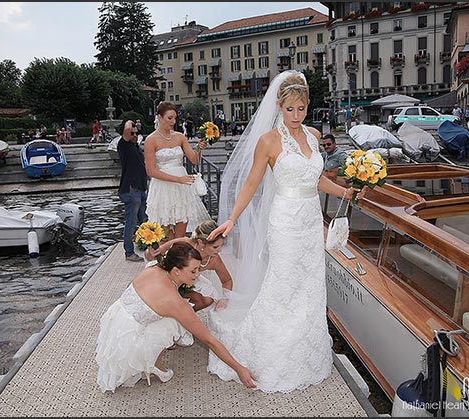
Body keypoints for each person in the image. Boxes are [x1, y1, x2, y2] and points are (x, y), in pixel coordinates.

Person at [205, 71, 360, 393]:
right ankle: (270, 352)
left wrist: (346, 192)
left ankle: (305, 352)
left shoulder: (314, 136)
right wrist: (232, 219)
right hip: (285, 220)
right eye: (290, 109)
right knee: (283, 284)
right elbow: (250, 183)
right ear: (279, 106)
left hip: (309, 219)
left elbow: (316, 180)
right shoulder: (268, 141)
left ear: (307, 107)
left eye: (301, 109)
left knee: (309, 287)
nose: (295, 115)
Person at [95, 242, 257, 392]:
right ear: (176, 271)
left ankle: (150, 355)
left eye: (198, 268)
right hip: (128, 337)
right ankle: (151, 362)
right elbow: (209, 340)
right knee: (177, 322)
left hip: (116, 318)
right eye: (193, 271)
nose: (198, 274)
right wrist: (239, 368)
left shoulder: (153, 267)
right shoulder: (174, 302)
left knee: (174, 315)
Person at [144, 101, 211, 240]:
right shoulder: (151, 140)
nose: (173, 121)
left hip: (182, 188)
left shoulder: (180, 136)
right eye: (170, 118)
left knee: (180, 234)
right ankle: (167, 260)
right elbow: (151, 171)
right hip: (163, 188)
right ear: (160, 117)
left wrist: (199, 148)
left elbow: (195, 160)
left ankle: (179, 261)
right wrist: (178, 179)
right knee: (165, 235)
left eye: (175, 118)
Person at [146, 220, 232, 312]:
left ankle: (182, 316)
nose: (220, 251)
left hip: (188, 281)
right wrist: (151, 253)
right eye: (215, 247)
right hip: (166, 276)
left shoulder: (214, 260)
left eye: (221, 246)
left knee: (208, 300)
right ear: (200, 242)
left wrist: (225, 299)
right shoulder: (184, 243)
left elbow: (227, 280)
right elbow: (150, 257)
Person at [117, 120, 148, 262]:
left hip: (140, 188)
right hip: (131, 189)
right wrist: (130, 121)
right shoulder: (123, 145)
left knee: (144, 220)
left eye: (137, 133)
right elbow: (127, 129)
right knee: (131, 222)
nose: (134, 135)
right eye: (132, 133)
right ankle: (128, 252)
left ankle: (145, 245)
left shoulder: (136, 147)